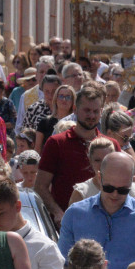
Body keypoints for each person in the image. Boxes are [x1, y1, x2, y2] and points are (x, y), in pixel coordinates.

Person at [58, 152, 135, 269]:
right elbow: (62, 265)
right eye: (109, 188)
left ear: (132, 181)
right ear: (99, 178)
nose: (115, 194)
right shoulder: (75, 214)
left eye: (123, 190)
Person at [37, 85, 105, 225]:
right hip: (67, 225)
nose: (91, 116)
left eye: (95, 111)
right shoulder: (56, 143)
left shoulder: (110, 145)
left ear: (101, 112)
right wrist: (57, 213)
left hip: (103, 224)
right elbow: (40, 186)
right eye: (86, 110)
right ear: (75, 109)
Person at [69, 137, 119, 206]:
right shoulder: (81, 192)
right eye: (97, 160)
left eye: (106, 159)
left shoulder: (128, 189)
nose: (102, 164)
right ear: (90, 161)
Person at [35, 83, 76, 153]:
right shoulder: (45, 122)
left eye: (68, 97)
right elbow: (38, 149)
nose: (64, 99)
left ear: (73, 101)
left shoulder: (76, 122)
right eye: (61, 96)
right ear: (56, 99)